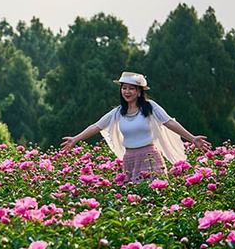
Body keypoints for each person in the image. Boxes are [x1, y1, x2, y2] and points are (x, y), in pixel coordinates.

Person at [61, 72, 211, 182]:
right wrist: (75, 139)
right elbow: (96, 126)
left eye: (131, 88)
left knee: (153, 197)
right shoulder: (118, 112)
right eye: (124, 88)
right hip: (129, 159)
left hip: (149, 157)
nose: (127, 92)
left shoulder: (150, 107)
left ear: (139, 92)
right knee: (134, 199)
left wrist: (192, 138)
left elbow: (169, 122)